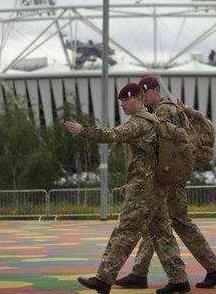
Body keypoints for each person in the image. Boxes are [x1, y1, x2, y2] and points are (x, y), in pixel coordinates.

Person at [65, 83, 190, 294]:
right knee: (162, 233)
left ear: (139, 98)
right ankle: (179, 280)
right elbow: (145, 159)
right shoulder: (153, 120)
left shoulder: (139, 123)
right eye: (120, 101)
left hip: (143, 190)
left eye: (126, 100)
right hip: (155, 187)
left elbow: (112, 135)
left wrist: (83, 130)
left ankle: (104, 279)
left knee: (125, 232)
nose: (122, 104)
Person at [113, 76, 216, 289]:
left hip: (169, 179)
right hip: (166, 178)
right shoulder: (162, 110)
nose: (142, 96)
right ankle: (139, 273)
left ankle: (214, 269)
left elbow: (162, 150)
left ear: (156, 90)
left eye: (145, 92)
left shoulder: (164, 110)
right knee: (155, 222)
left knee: (178, 221)